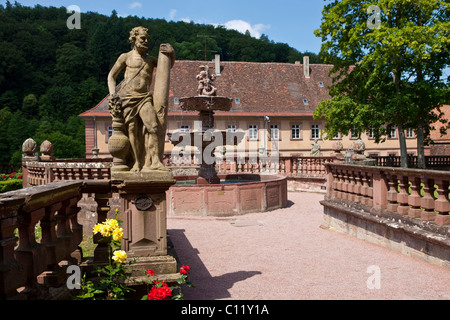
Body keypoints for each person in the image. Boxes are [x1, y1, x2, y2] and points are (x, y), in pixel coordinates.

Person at [107, 26, 173, 172]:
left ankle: (155, 161)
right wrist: (113, 95)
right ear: (134, 39)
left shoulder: (150, 60)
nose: (146, 41)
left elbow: (167, 66)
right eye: (143, 38)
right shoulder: (125, 57)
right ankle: (136, 162)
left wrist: (171, 54)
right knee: (132, 130)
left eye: (147, 39)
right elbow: (111, 76)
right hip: (128, 97)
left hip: (144, 98)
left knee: (153, 126)